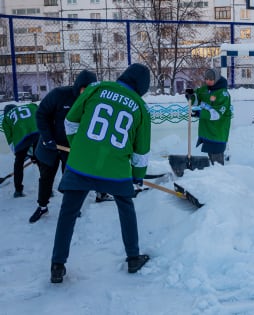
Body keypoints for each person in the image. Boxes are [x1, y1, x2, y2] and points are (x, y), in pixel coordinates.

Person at [50, 63, 151, 283]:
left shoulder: (96, 88)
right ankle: (133, 257)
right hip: (116, 170)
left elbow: (70, 121)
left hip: (81, 165)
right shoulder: (140, 108)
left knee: (67, 213)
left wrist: (78, 148)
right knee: (126, 208)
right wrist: (137, 177)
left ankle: (57, 265)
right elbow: (141, 151)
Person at [30, 70, 112, 223]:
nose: (87, 93)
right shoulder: (59, 95)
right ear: (78, 86)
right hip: (50, 145)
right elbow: (41, 114)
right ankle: (42, 206)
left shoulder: (93, 102)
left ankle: (72, 207)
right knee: (46, 177)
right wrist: (48, 138)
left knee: (72, 178)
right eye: (84, 89)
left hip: (71, 148)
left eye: (91, 89)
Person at [185, 68, 232, 165]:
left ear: (216, 79)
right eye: (206, 79)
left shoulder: (223, 94)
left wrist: (200, 113)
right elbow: (197, 100)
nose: (208, 81)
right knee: (211, 160)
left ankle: (221, 177)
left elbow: (217, 114)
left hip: (217, 131)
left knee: (217, 162)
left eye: (211, 79)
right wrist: (190, 96)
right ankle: (212, 177)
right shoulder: (205, 89)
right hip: (207, 130)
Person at [2, 103, 39, 197]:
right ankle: (47, 189)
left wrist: (19, 155)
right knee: (41, 160)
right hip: (38, 132)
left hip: (21, 139)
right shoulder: (31, 106)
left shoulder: (6, 119)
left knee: (18, 164)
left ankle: (18, 191)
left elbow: (10, 140)